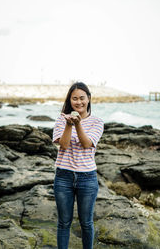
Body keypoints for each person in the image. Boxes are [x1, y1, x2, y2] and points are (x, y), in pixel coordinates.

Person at [53, 82, 104, 249]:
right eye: (74, 98)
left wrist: (78, 124)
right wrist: (69, 124)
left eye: (82, 98)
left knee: (87, 223)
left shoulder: (97, 122)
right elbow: (64, 145)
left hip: (87, 178)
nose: (78, 102)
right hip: (63, 177)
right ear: (70, 100)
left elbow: (87, 144)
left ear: (89, 99)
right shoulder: (62, 119)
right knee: (63, 223)